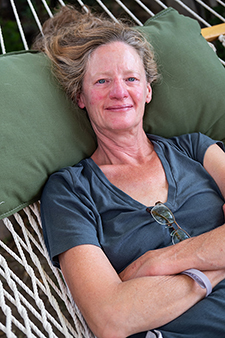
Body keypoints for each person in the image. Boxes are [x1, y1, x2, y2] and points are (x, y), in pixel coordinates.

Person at [37, 5, 225, 338]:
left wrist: (157, 263)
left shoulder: (196, 148)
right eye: (102, 81)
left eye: (131, 78)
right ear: (81, 96)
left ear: (148, 90)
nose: (120, 92)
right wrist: (210, 269)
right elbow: (112, 317)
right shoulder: (70, 191)